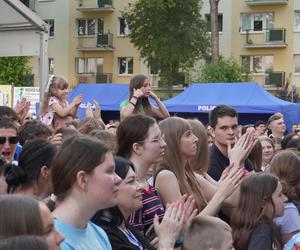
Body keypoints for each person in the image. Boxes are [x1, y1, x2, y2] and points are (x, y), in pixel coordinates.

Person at [155, 117, 244, 216]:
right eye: (188, 135)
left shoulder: (189, 174)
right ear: (173, 141)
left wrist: (237, 162)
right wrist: (234, 163)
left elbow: (232, 200)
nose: (196, 139)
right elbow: (185, 227)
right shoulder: (166, 176)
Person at [92, 156, 184, 250]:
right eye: (131, 181)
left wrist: (177, 235)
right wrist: (166, 241)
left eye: (138, 180)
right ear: (113, 187)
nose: (141, 187)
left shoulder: (127, 228)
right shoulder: (106, 234)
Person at [51, 136, 121, 249]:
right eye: (109, 171)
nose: (118, 179)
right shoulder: (52, 240)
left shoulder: (99, 233)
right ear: (83, 179)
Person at [117, 114, 166, 236]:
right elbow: (134, 242)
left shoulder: (145, 184)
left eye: (162, 138)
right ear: (137, 148)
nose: (163, 144)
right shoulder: (132, 190)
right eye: (156, 140)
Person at [232, 173, 287, 250]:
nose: (285, 199)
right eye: (280, 195)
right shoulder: (262, 234)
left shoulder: (260, 228)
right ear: (263, 203)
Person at [207, 105, 254, 181]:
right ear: (212, 132)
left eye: (234, 127)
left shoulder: (239, 153)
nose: (231, 132)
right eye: (224, 128)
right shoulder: (209, 161)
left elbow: (256, 185)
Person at [269, 150, 300, 243]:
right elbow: (292, 246)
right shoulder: (289, 210)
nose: (284, 199)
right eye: (279, 196)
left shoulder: (264, 194)